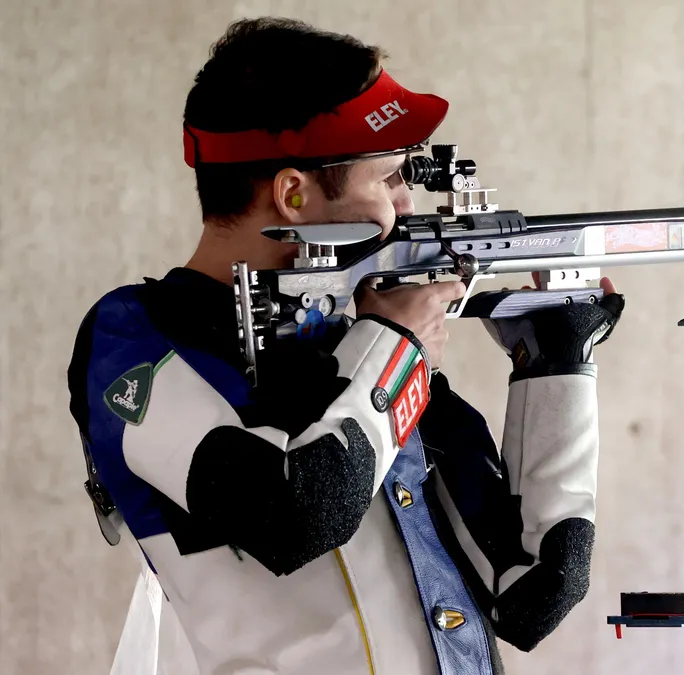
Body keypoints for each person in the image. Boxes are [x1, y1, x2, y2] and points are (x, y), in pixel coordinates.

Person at [66, 16, 624, 675]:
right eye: (388, 177)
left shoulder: (359, 342)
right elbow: (296, 515)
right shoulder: (133, 338)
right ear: (293, 194)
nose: (407, 200)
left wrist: (556, 361)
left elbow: (533, 593)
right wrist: (398, 343)